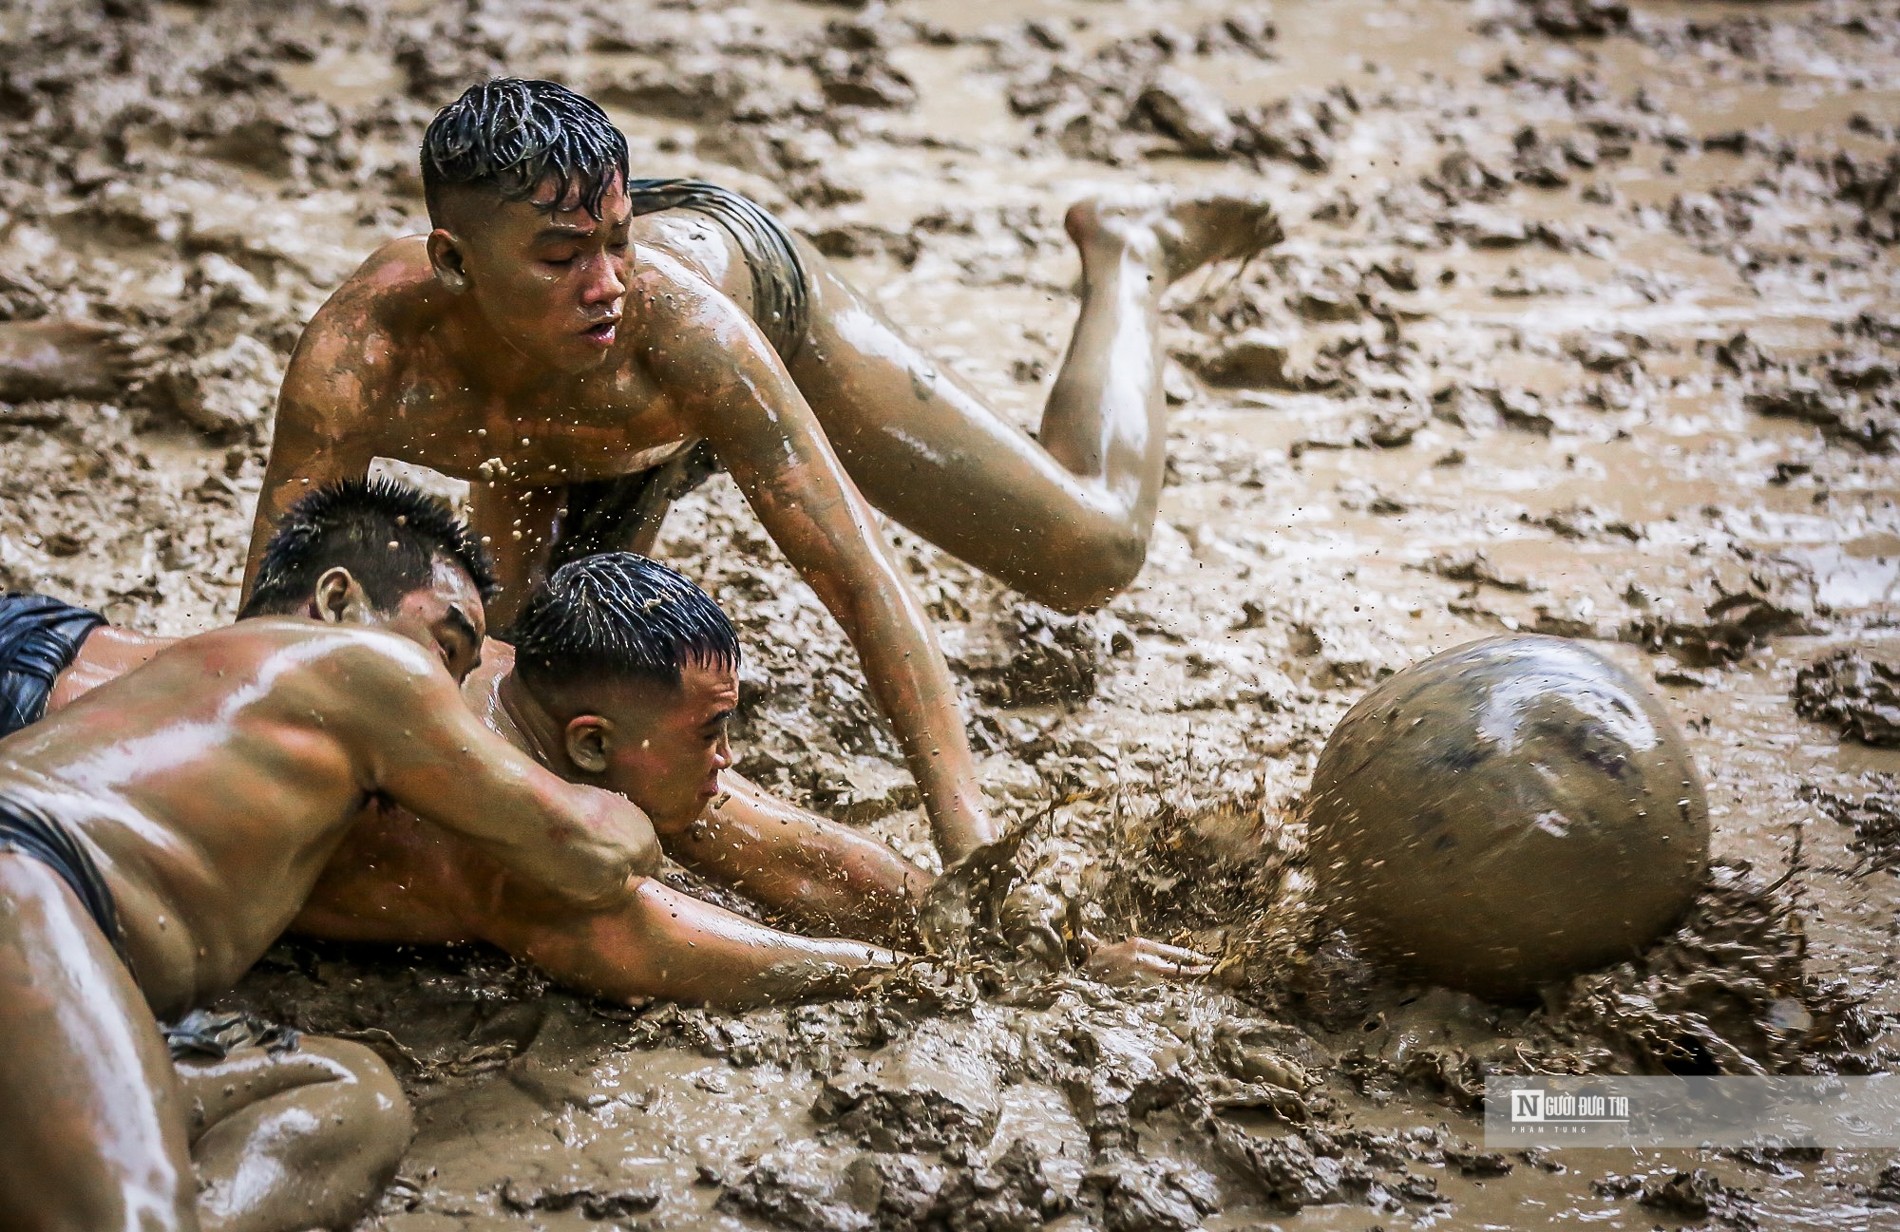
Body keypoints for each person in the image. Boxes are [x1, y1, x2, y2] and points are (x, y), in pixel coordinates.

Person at [243, 78, 1285, 871]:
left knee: (1090, 548)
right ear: (455, 263)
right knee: (531, 691)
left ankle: (1129, 248)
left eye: (617, 242)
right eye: (564, 257)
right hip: (555, 446)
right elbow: (269, 617)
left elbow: (858, 579)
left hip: (757, 298)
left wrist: (964, 833)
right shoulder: (358, 359)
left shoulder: (683, 326)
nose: (606, 284)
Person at [25, 544, 1201, 1007]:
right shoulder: (485, 830)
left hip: (66, 639)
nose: (729, 766)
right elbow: (666, 938)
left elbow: (789, 850)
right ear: (587, 744)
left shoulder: (529, 683)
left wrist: (1040, 932)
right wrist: (998, 986)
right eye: (709, 735)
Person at [0, 479, 662, 1231]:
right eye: (446, 648)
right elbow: (590, 853)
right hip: (23, 880)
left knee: (353, 1096)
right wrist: (623, 805)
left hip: (74, 968)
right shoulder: (362, 663)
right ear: (338, 599)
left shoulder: (207, 697)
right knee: (136, 1214)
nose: (448, 692)